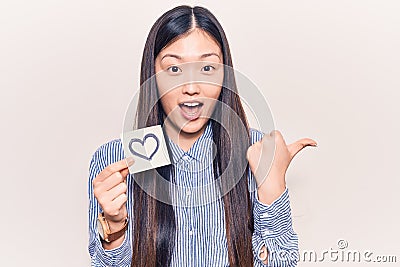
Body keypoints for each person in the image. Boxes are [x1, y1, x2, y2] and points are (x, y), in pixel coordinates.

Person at [88, 5, 317, 267]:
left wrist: (272, 188)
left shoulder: (258, 152)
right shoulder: (113, 160)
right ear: (151, 76)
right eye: (174, 70)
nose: (191, 88)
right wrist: (115, 227)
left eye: (207, 69)